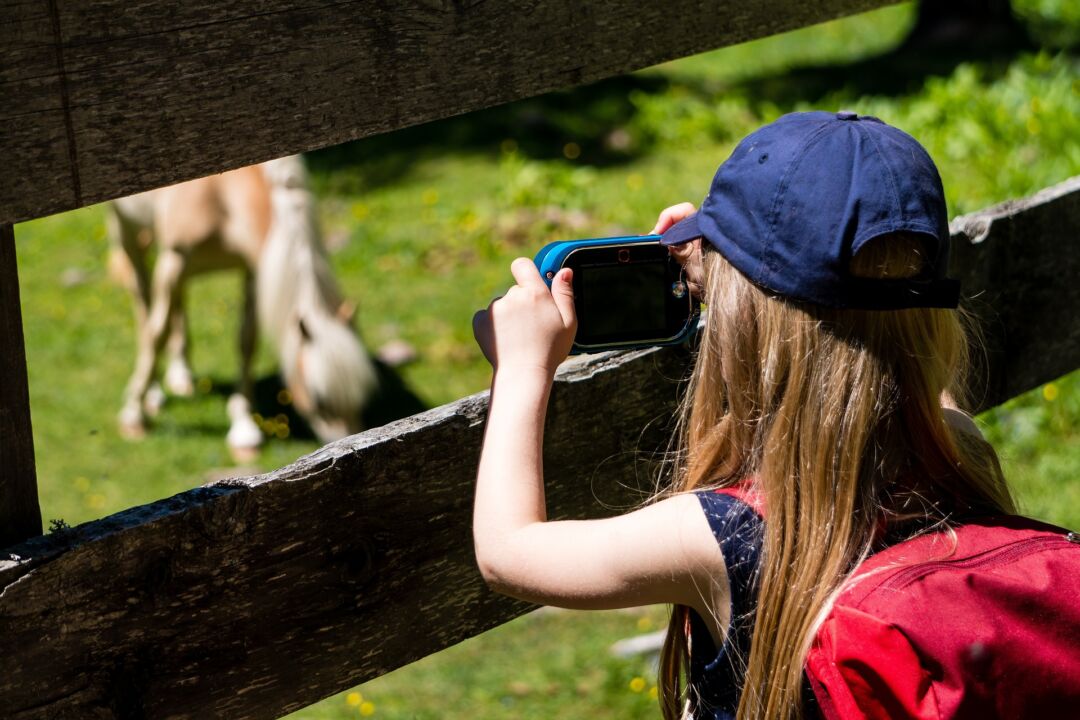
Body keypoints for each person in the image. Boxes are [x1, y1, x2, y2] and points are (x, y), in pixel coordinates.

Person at [470, 111, 1076, 719]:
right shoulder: (958, 446)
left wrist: (522, 367)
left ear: (741, 320)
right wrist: (735, 262)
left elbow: (508, 551)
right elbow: (899, 353)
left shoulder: (723, 535)